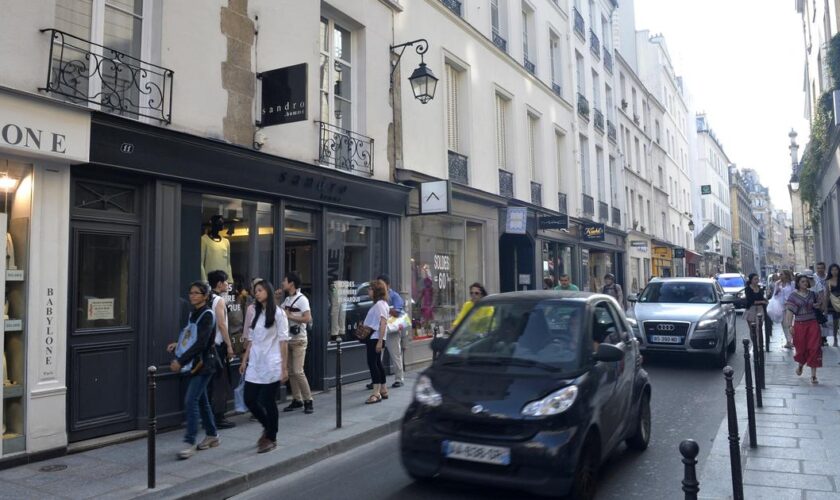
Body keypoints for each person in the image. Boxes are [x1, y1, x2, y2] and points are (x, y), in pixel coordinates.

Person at [167, 281, 220, 460]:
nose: (192, 295)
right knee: (201, 401)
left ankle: (189, 442)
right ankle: (212, 435)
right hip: (197, 363)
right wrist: (178, 344)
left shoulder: (207, 314)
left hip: (204, 364)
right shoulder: (194, 313)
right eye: (191, 292)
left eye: (197, 293)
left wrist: (180, 361)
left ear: (205, 296)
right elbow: (190, 335)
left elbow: (201, 343)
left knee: (191, 401)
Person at [239, 280, 289, 453]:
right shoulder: (256, 313)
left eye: (260, 290)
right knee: (249, 399)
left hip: (272, 363)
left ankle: (271, 437)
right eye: (255, 291)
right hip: (255, 363)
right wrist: (244, 360)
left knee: (267, 401)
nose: (257, 293)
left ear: (267, 290)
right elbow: (251, 340)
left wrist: (284, 367)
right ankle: (268, 428)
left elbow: (283, 342)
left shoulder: (279, 314)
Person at [279, 272, 314, 414]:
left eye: (285, 280)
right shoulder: (287, 300)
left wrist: (291, 316)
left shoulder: (302, 299)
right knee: (292, 373)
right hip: (288, 339)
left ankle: (308, 400)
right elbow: (279, 313)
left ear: (291, 283)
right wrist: (276, 299)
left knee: (298, 371)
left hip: (299, 339)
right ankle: (297, 399)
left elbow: (308, 318)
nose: (282, 283)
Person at [206, 270, 236, 429]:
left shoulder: (206, 298)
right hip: (218, 346)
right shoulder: (218, 300)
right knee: (221, 381)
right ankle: (219, 417)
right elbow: (222, 324)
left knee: (211, 382)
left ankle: (209, 416)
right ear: (218, 284)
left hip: (207, 346)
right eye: (225, 282)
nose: (227, 284)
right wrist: (229, 345)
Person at [785, 274, 823, 384]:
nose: (805, 283)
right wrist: (790, 326)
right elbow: (789, 312)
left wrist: (818, 304)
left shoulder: (813, 294)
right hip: (800, 325)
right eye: (802, 281)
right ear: (798, 283)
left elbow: (820, 305)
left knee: (814, 348)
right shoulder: (793, 296)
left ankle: (813, 376)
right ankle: (801, 365)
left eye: (806, 281)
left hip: (813, 324)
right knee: (801, 349)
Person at [376, 274, 406, 388]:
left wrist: (385, 308)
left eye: (381, 284)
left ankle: (399, 378)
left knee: (395, 354)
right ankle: (376, 380)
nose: (379, 286)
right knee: (377, 356)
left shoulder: (395, 296)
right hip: (380, 329)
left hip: (391, 329)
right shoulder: (378, 297)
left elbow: (398, 312)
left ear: (388, 285)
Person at [363, 279, 390, 404]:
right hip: (376, 338)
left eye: (370, 289)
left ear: (376, 291)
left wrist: (380, 341)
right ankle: (383, 390)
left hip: (374, 338)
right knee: (378, 363)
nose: (368, 291)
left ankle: (376, 393)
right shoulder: (383, 304)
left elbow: (383, 322)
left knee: (373, 364)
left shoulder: (379, 304)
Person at [772, 270, 796, 349]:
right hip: (781, 306)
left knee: (790, 323)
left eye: (781, 274)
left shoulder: (792, 284)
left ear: (786, 275)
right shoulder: (777, 283)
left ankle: (792, 340)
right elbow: (774, 296)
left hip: (790, 305)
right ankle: (788, 341)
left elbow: (794, 293)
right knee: (784, 324)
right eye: (780, 274)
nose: (780, 276)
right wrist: (777, 291)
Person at [744, 273, 768, 344]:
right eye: (755, 279)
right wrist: (762, 301)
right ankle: (754, 343)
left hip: (760, 309)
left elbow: (761, 297)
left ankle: (758, 344)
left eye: (757, 279)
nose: (757, 280)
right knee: (752, 329)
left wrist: (765, 300)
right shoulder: (748, 289)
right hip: (751, 309)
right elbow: (750, 300)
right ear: (751, 280)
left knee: (758, 327)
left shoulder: (760, 288)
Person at [823, 263, 840, 347]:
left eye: (836, 269)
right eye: (832, 270)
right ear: (830, 271)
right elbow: (826, 295)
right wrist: (825, 308)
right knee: (834, 323)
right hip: (832, 304)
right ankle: (835, 339)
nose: (834, 271)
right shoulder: (828, 281)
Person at [814, 263, 829, 346]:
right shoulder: (814, 276)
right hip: (817, 300)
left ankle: (824, 338)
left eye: (821, 268)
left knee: (825, 320)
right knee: (818, 320)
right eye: (818, 268)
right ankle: (819, 338)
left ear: (824, 269)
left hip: (827, 300)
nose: (820, 270)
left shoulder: (827, 276)